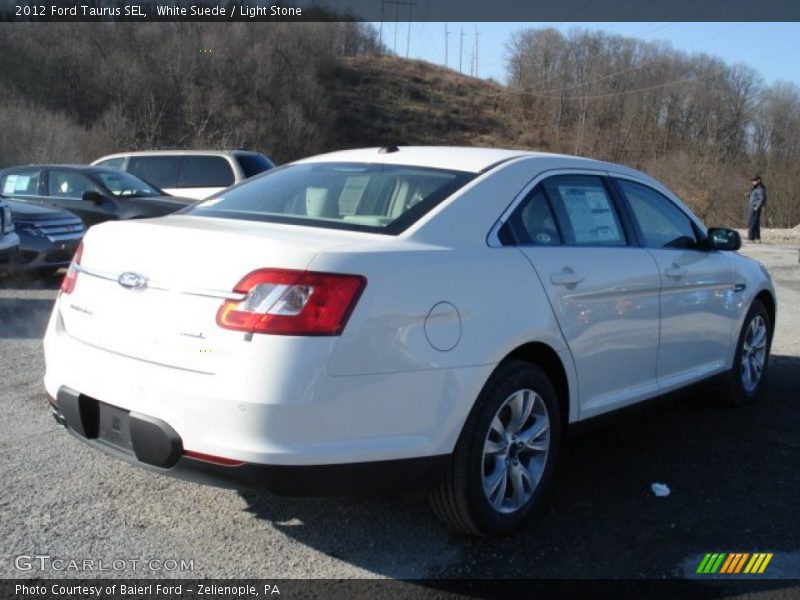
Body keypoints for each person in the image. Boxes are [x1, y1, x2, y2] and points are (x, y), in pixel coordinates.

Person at [746, 174, 767, 243]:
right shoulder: (755, 188)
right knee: (756, 223)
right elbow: (754, 196)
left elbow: (762, 199)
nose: (753, 182)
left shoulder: (760, 188)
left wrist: (756, 207)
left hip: (755, 208)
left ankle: (751, 238)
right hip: (753, 207)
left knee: (751, 222)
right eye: (752, 180)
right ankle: (757, 238)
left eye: (754, 180)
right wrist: (748, 194)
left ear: (759, 180)